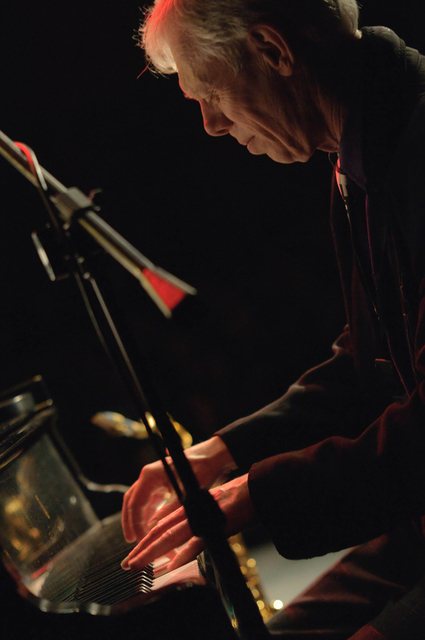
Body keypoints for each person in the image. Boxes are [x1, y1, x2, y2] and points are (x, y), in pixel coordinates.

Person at [120, 1, 425, 638]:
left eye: (211, 95)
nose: (210, 124)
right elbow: (370, 356)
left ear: (273, 51)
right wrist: (223, 452)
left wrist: (252, 494)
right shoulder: (362, 150)